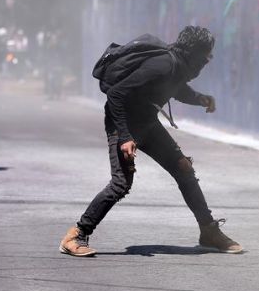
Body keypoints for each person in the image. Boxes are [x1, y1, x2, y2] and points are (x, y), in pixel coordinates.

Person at [59, 25, 243, 256]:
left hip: (147, 123)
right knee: (121, 184)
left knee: (183, 169)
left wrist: (200, 99)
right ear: (195, 53)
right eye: (207, 55)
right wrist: (125, 137)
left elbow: (175, 89)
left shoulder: (177, 66)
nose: (208, 60)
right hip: (123, 123)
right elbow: (116, 94)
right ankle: (76, 234)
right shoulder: (163, 64)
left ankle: (208, 231)